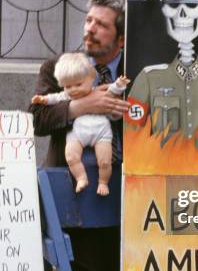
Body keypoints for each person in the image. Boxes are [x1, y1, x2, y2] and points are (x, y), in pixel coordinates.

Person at [29, 0, 130, 271]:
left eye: (101, 24)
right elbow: (37, 117)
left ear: (119, 39)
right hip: (78, 203)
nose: (90, 28)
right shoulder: (58, 68)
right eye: (88, 20)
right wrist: (81, 104)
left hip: (128, 201)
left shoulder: (136, 72)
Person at [128, 0, 198, 141]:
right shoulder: (148, 78)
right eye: (173, 5)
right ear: (163, 10)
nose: (182, 14)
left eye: (192, 5)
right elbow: (131, 132)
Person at [31, 52, 129, 195]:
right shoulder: (58, 75)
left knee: (105, 160)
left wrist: (119, 85)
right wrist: (77, 106)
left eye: (78, 84)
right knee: (71, 155)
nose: (74, 90)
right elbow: (40, 113)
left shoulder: (100, 88)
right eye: (68, 87)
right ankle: (81, 177)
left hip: (103, 136)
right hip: (75, 140)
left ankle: (103, 182)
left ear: (91, 78)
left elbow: (113, 91)